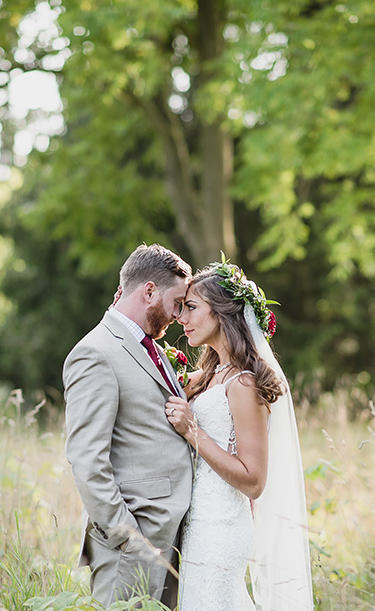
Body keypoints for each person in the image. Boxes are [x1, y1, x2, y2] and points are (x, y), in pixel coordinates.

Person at [165, 260, 313, 611]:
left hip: (222, 527)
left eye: (191, 308)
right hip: (199, 523)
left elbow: (253, 480)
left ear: (221, 313)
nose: (182, 319)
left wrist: (193, 432)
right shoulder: (210, 375)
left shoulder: (243, 382)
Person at [63, 243, 193, 607]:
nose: (180, 316)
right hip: (133, 543)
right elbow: (87, 458)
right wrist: (127, 535)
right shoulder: (96, 353)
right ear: (149, 291)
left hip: (169, 536)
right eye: (178, 303)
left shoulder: (148, 347)